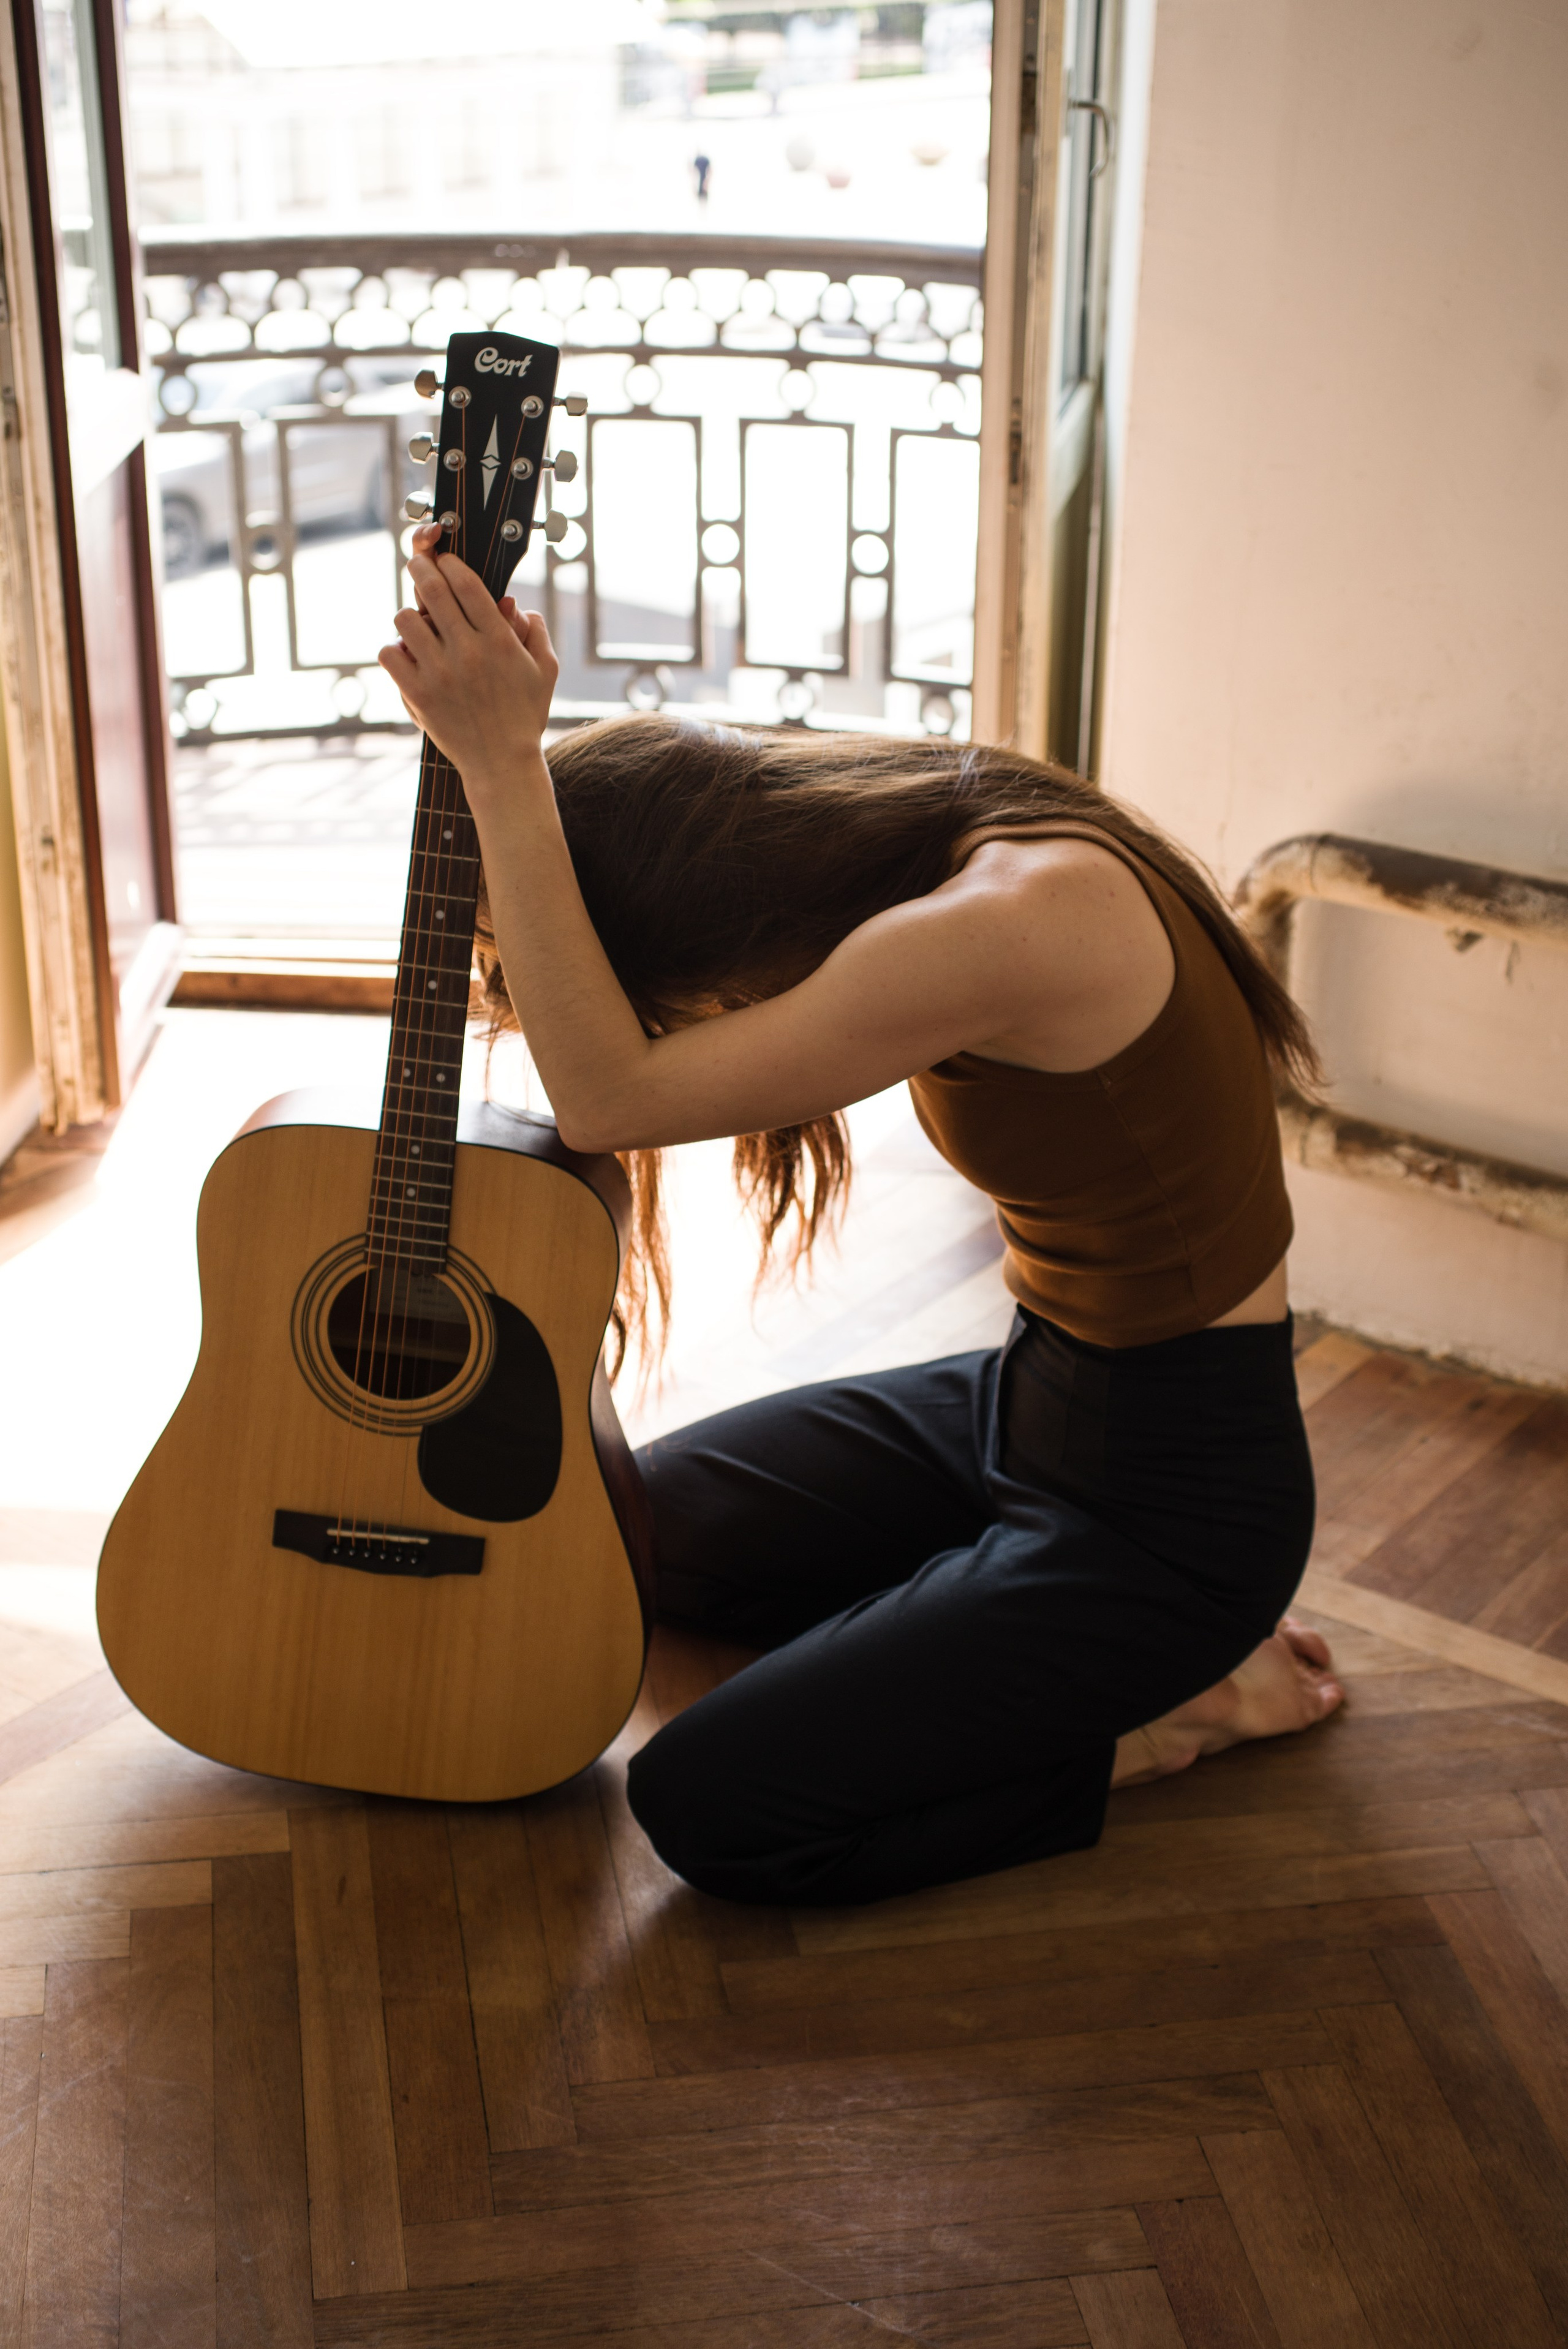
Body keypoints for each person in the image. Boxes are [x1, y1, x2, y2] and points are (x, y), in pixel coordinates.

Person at [380, 529, 1343, 1909]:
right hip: (1025, 1394)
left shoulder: (1009, 914)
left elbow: (606, 1098)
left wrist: (501, 766)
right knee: (631, 1532)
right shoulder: (912, 840)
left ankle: (1169, 1707)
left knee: (709, 1805)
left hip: (1174, 1499)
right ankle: (995, 1625)